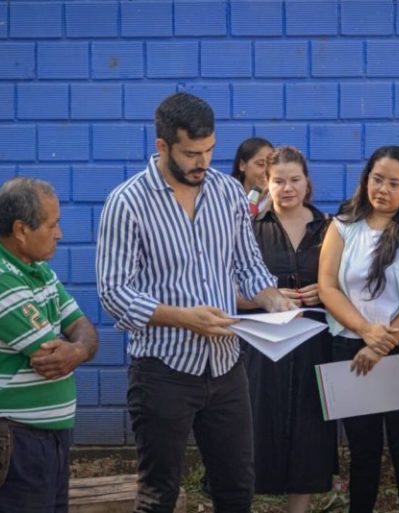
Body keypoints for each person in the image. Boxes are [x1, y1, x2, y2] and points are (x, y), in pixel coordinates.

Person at [95, 92, 296, 513]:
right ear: (162, 146)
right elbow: (114, 294)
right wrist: (184, 318)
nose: (203, 162)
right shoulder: (126, 203)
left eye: (209, 151)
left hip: (226, 368)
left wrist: (273, 301)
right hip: (162, 371)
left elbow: (250, 268)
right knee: (158, 495)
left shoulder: (227, 194)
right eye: (191, 153)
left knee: (238, 488)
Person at [0, 177, 99, 513]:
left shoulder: (36, 269)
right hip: (12, 442)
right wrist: (75, 349)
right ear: (21, 230)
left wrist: (76, 351)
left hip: (43, 440)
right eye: (52, 224)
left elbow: (84, 329)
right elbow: (49, 354)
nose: (59, 233)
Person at [319, 145, 399, 513]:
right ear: (366, 178)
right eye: (377, 179)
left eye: (393, 183)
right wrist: (365, 331)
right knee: (363, 450)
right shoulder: (342, 226)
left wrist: (380, 344)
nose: (382, 189)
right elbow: (327, 286)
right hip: (350, 348)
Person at [245, 146, 338, 513]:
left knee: (310, 428)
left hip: (316, 341)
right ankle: (246, 502)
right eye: (278, 181)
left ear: (307, 182)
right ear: (266, 184)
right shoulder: (252, 229)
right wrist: (265, 297)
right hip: (263, 344)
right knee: (257, 423)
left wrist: (328, 292)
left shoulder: (329, 228)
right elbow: (227, 287)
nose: (287, 188)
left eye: (294, 180)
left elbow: (349, 283)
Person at [231, 137, 274, 212]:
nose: (267, 171)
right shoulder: (227, 197)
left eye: (271, 165)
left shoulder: (277, 200)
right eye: (261, 164)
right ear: (242, 165)